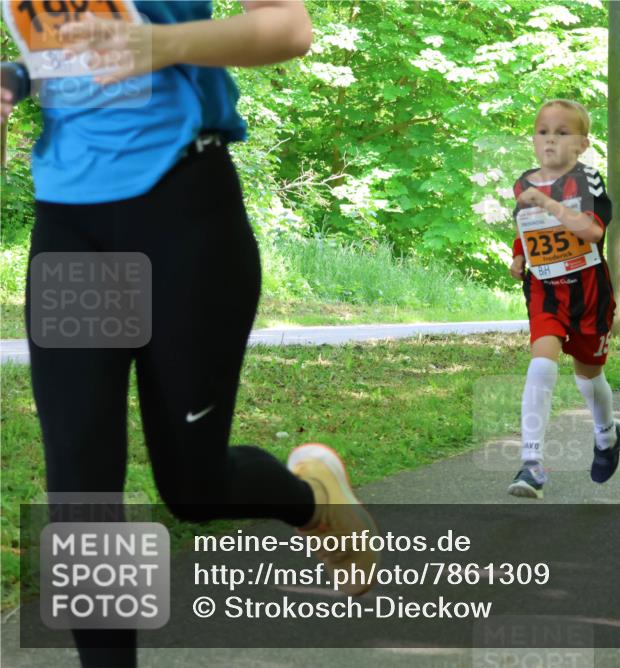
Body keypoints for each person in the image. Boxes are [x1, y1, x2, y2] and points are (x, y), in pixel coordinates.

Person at [1, 4, 377, 667]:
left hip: (183, 212)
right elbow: (59, 50)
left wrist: (160, 43)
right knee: (80, 486)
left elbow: (290, 27)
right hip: (73, 229)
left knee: (193, 491)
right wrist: (12, 79)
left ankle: (312, 500)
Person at [507, 99, 620, 499]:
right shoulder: (524, 184)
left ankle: (606, 434)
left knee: (588, 376)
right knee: (542, 362)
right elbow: (524, 224)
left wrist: (550, 204)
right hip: (545, 290)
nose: (550, 140)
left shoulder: (587, 181)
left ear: (582, 145)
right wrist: (519, 256)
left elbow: (591, 231)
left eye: (562, 133)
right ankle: (531, 463)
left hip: (588, 292)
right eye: (543, 132)